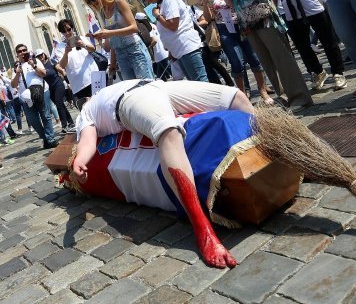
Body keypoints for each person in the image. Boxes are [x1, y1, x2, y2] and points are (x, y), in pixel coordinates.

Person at [71, 79, 255, 269]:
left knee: (235, 97)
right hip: (130, 100)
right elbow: (88, 141)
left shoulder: (104, 90)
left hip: (159, 86)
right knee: (168, 130)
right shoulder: (86, 112)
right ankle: (203, 229)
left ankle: (272, 146)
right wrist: (80, 161)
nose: (86, 98)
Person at [218, 0, 313, 110]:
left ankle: (299, 96)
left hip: (265, 18)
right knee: (267, 62)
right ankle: (284, 96)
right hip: (247, 23)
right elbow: (234, 5)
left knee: (281, 58)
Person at [201, 0, 270, 101]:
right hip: (224, 29)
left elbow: (236, 5)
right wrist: (204, 3)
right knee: (236, 61)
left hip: (241, 24)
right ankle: (243, 95)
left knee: (253, 58)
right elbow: (209, 19)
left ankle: (263, 91)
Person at [135, 0, 208, 82]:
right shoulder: (162, 2)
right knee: (195, 83)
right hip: (179, 49)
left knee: (201, 82)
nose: (146, 0)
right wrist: (171, 50)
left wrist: (157, 16)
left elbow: (173, 26)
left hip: (186, 46)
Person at [83, 0, 154, 81]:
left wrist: (110, 33)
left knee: (147, 86)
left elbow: (134, 27)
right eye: (89, 2)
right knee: (132, 91)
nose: (93, 3)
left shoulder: (119, 2)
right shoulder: (103, 12)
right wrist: (112, 62)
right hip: (120, 55)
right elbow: (111, 45)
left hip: (135, 50)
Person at [11, 44, 58, 149]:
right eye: (20, 51)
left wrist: (34, 65)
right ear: (17, 54)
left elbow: (43, 74)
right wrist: (18, 73)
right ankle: (45, 137)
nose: (23, 52)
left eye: (24, 50)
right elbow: (13, 85)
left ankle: (51, 139)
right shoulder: (17, 67)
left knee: (46, 116)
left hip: (42, 91)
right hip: (27, 97)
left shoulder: (35, 61)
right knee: (33, 120)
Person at [57, 18, 100, 99]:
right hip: (79, 83)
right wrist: (66, 53)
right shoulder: (59, 47)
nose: (67, 33)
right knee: (88, 109)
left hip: (94, 76)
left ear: (72, 28)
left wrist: (83, 45)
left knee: (102, 102)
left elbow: (93, 49)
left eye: (69, 29)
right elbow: (62, 65)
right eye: (64, 31)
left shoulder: (81, 38)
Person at [35, 49, 74, 131]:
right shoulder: (39, 67)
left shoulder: (51, 62)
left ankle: (64, 125)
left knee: (59, 103)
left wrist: (68, 82)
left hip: (58, 85)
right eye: (38, 56)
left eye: (41, 54)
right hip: (50, 89)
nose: (41, 57)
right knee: (60, 105)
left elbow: (62, 71)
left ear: (44, 54)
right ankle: (70, 121)